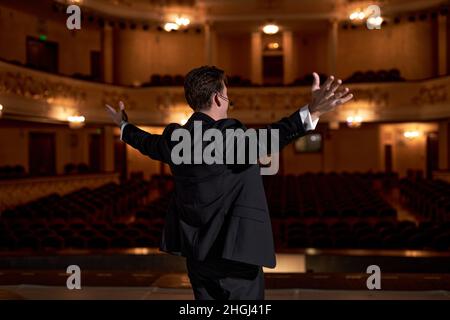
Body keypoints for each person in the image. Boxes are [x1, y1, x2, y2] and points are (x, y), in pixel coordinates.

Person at [105, 66, 353, 300]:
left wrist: (123, 125)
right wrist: (312, 111)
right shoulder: (227, 137)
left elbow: (146, 142)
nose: (228, 100)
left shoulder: (174, 139)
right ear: (217, 98)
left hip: (197, 256)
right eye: (227, 94)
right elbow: (272, 137)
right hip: (236, 257)